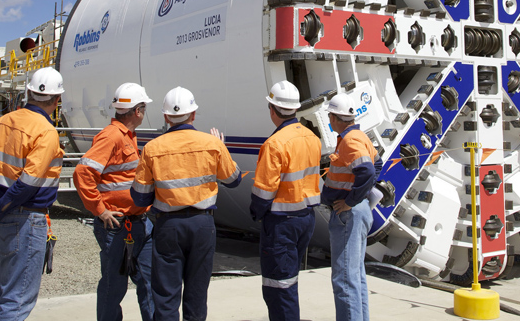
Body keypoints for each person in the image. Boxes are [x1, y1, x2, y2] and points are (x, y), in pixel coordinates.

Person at [130, 86, 241, 321]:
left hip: (168, 226)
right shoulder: (212, 144)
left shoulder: (152, 148)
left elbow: (140, 197)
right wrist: (222, 149)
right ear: (193, 115)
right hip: (202, 225)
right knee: (197, 293)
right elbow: (233, 180)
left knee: (166, 296)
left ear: (165, 116)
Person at [0, 67, 65, 321]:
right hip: (24, 220)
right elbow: (29, 183)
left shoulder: (2, 122)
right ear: (57, 101)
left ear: (29, 93)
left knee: (0, 292)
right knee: (17, 300)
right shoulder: (46, 132)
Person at [74, 83, 155, 321]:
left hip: (140, 222)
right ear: (138, 111)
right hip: (118, 225)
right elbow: (83, 173)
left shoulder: (127, 136)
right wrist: (100, 210)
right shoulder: (111, 136)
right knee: (114, 285)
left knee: (150, 282)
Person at [250, 81, 321, 321]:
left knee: (278, 287)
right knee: (289, 280)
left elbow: (263, 192)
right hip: (306, 219)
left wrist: (256, 212)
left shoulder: (275, 144)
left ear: (272, 109)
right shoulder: (312, 137)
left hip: (282, 224)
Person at [320, 93, 378, 321]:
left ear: (334, 118)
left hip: (348, 215)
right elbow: (377, 163)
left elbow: (368, 171)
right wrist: (361, 194)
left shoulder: (350, 141)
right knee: (355, 276)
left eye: (330, 116)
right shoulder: (359, 136)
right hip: (357, 211)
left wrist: (350, 200)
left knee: (344, 278)